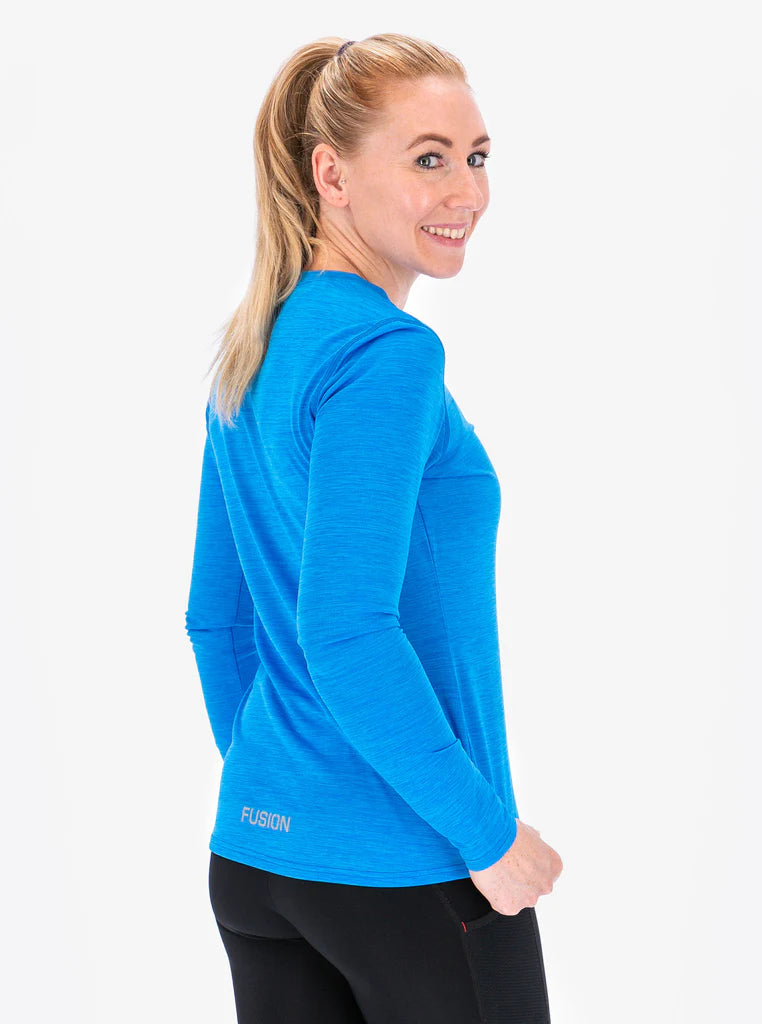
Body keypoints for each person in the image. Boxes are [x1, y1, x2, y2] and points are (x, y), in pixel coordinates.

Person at [185, 32, 563, 1024]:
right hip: (413, 874)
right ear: (332, 175)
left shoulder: (253, 346)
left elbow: (216, 624)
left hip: (259, 862)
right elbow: (346, 630)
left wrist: (295, 791)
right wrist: (487, 835)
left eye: (477, 156)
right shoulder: (387, 353)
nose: (466, 191)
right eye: (428, 158)